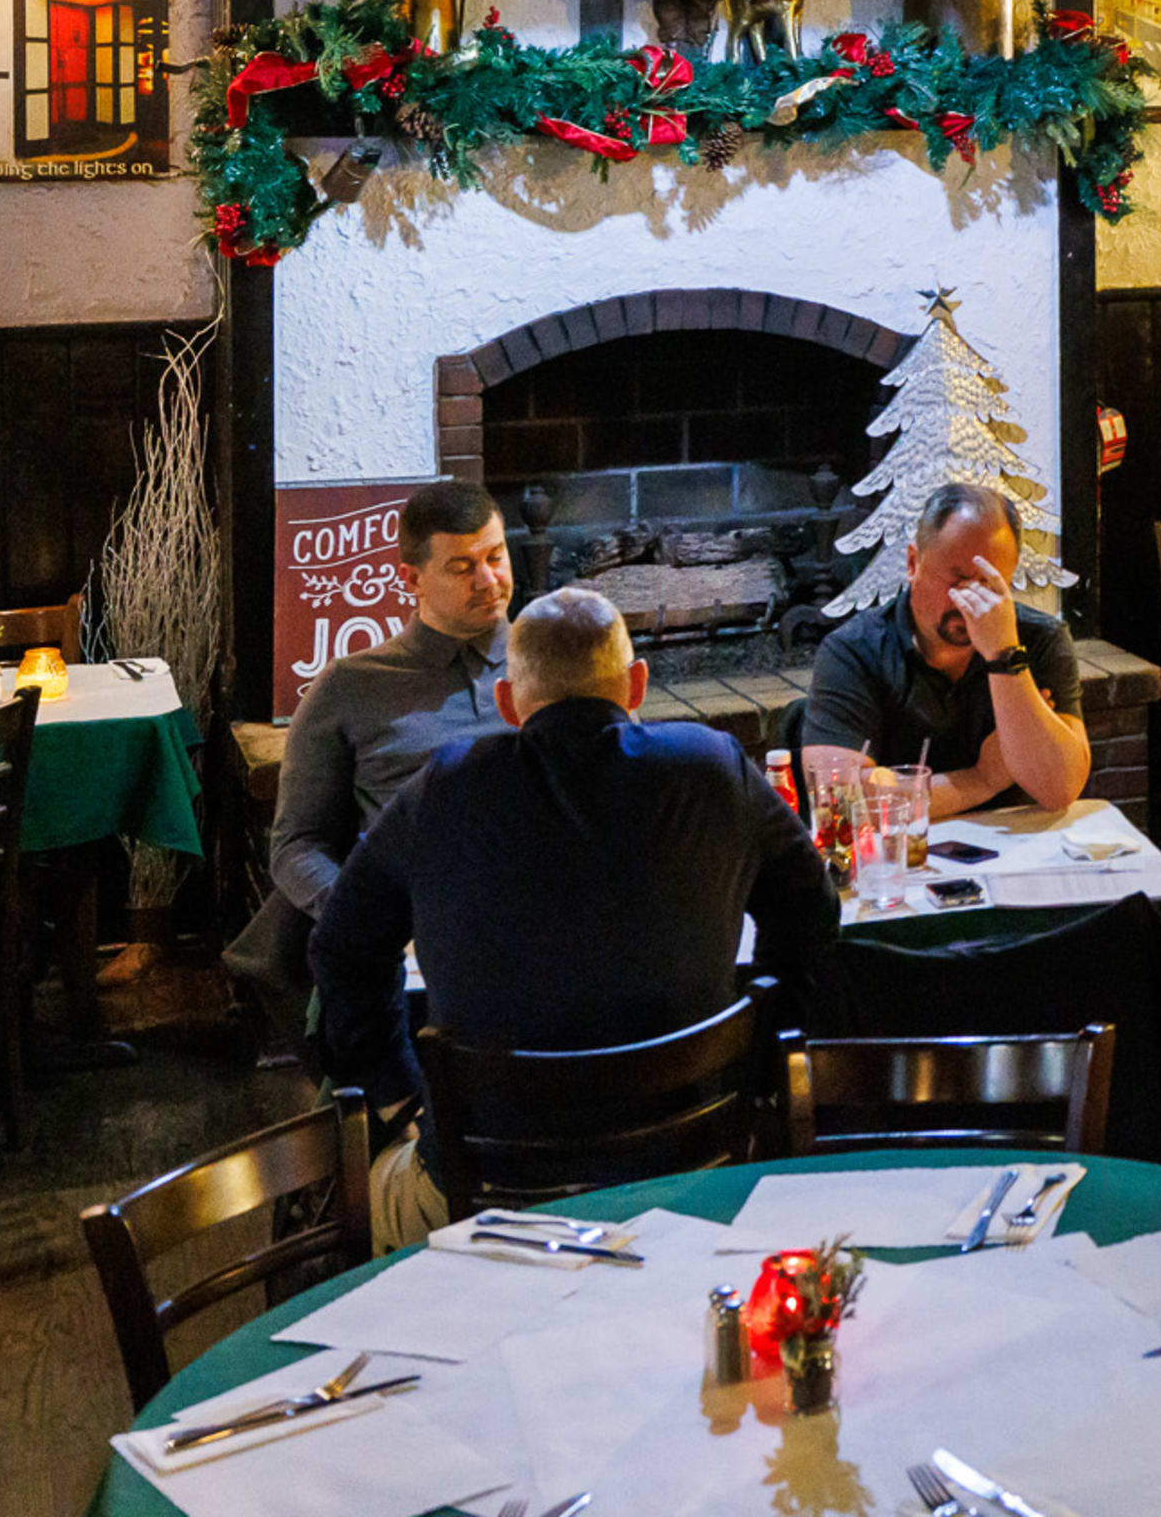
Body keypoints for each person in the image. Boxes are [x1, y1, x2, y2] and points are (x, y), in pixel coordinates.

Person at [312, 586, 838, 1243]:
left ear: (507, 704)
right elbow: (813, 911)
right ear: (638, 684)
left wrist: (400, 1094)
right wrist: (763, 1052)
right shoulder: (713, 766)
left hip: (490, 1193)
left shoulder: (441, 786)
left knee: (354, 1194)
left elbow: (341, 945)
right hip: (697, 1165)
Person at [222, 477, 514, 1048]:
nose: (489, 581)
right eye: (462, 567)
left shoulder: (547, 663)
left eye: (496, 557)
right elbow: (295, 845)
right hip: (414, 938)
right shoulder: (350, 686)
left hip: (533, 920)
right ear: (412, 579)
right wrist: (367, 916)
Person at [800, 480, 1090, 810]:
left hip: (1016, 847)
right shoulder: (852, 651)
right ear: (913, 564)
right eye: (957, 579)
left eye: (989, 582)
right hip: (897, 853)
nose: (972, 599)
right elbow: (839, 802)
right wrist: (983, 780)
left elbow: (1060, 790)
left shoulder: (1039, 640)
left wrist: (1004, 657)